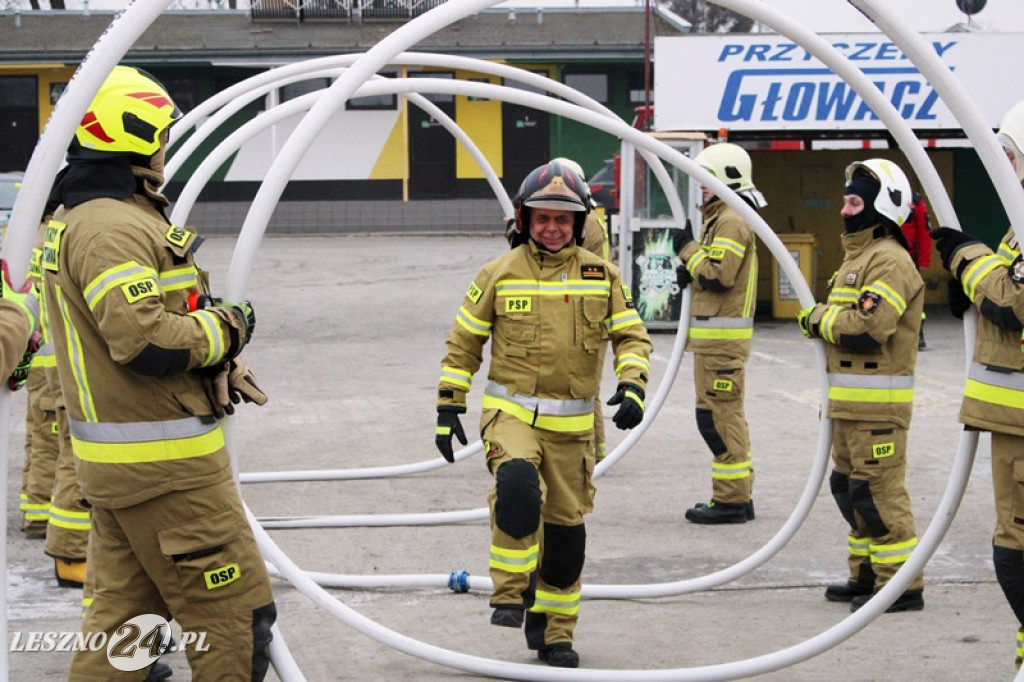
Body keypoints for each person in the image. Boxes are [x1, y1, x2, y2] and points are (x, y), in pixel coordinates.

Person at [40, 65, 276, 680]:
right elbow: (143, 340)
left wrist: (212, 350)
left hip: (130, 468)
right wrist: (231, 327)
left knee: (125, 628)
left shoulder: (98, 215)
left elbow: (155, 317)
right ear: (135, 134)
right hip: (169, 473)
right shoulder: (110, 227)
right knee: (234, 622)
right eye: (161, 134)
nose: (166, 147)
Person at [435, 160, 652, 668]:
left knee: (565, 540)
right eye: (542, 218)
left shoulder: (603, 275)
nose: (552, 227)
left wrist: (633, 384)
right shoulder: (498, 273)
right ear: (524, 218)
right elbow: (463, 343)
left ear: (579, 224)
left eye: (563, 219)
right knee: (515, 486)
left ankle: (555, 630)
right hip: (511, 415)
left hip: (572, 430)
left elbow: (632, 336)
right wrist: (449, 405)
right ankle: (510, 593)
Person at [797, 158, 925, 613]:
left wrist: (815, 318)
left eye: (854, 201)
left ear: (880, 208)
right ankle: (866, 575)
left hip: (878, 411)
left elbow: (869, 328)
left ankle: (901, 587)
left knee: (879, 495)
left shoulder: (889, 261)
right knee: (850, 491)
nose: (844, 210)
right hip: (849, 407)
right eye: (845, 200)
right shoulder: (859, 259)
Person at [930, 99, 1024, 669]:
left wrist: (967, 258)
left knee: (1016, 554)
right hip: (1011, 422)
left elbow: (1013, 302)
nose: (1007, 166)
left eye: (1011, 153)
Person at [674, 142, 764, 524]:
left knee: (717, 419)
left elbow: (720, 273)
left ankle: (730, 501)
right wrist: (694, 266)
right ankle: (737, 495)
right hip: (715, 342)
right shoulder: (724, 216)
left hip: (721, 344)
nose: (700, 187)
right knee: (724, 416)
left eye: (706, 179)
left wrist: (688, 251)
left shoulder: (729, 220)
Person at [510, 157, 614, 463]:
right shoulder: (587, 217)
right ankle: (590, 450)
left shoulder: (586, 221)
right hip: (583, 313)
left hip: (584, 317)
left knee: (583, 389)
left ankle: (591, 453)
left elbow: (559, 265)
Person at [902, 191, 933, 349]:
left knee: (913, 298)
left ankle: (918, 335)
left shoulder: (915, 201)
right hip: (887, 256)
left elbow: (924, 232)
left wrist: (923, 261)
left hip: (909, 259)